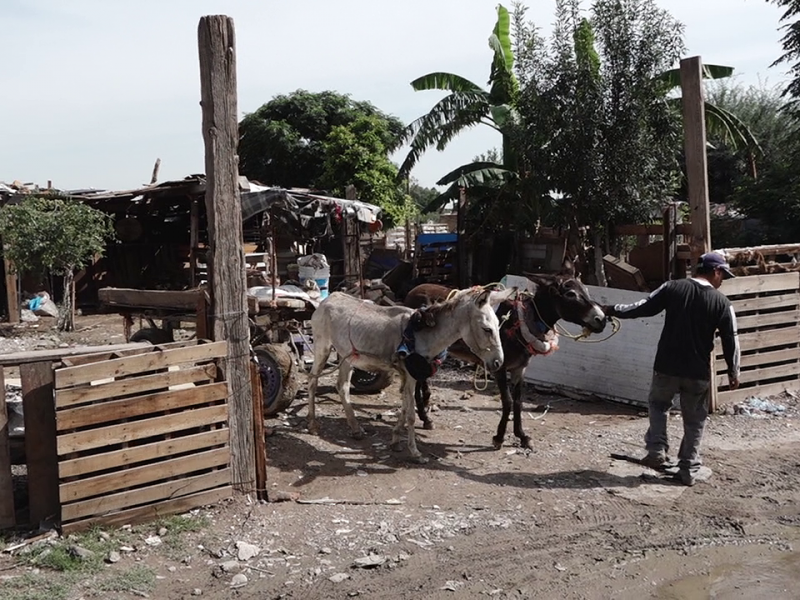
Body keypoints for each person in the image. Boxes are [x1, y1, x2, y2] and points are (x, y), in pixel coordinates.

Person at [602, 251, 741, 486]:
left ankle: (656, 451)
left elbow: (641, 307)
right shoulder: (722, 303)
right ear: (715, 271)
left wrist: (610, 309)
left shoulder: (672, 288)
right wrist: (733, 372)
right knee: (695, 420)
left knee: (658, 405)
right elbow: (732, 340)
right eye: (723, 275)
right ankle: (687, 469)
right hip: (697, 372)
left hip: (666, 366)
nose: (722, 281)